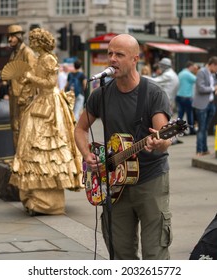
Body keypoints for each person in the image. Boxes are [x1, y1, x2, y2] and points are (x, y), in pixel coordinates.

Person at [74, 34, 173, 260]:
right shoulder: (101, 94)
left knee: (154, 252)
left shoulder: (153, 93)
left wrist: (160, 141)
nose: (112, 59)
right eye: (110, 54)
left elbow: (164, 136)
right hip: (114, 184)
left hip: (150, 180)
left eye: (119, 54)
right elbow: (79, 129)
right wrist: (86, 154)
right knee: (120, 252)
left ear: (135, 59)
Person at [9, 28, 83, 216]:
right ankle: (35, 196)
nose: (31, 42)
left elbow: (50, 83)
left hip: (50, 103)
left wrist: (30, 77)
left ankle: (49, 201)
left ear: (40, 42)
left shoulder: (48, 58)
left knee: (49, 147)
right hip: (40, 101)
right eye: (31, 39)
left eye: (34, 40)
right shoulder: (39, 58)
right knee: (31, 146)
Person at [6, 24, 37, 148]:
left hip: (23, 96)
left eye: (12, 36)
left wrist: (25, 95)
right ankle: (17, 156)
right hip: (14, 94)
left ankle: (24, 156)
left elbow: (32, 74)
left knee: (23, 126)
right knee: (14, 126)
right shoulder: (13, 54)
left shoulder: (27, 52)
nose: (9, 39)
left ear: (19, 37)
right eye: (9, 36)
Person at [192, 56, 217, 156]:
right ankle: (199, 150)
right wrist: (213, 88)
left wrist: (215, 87)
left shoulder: (213, 74)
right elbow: (201, 88)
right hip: (201, 105)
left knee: (205, 128)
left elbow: (214, 85)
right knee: (201, 128)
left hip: (210, 103)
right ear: (212, 65)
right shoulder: (201, 72)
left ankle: (204, 149)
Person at [176, 61, 197, 135]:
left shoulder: (180, 73)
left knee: (180, 115)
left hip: (179, 96)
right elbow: (197, 80)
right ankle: (191, 129)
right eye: (193, 67)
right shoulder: (188, 74)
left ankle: (178, 130)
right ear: (190, 66)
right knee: (189, 114)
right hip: (187, 97)